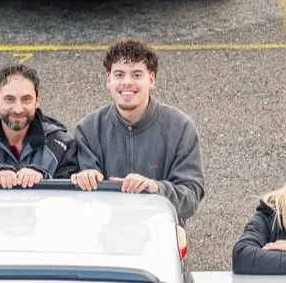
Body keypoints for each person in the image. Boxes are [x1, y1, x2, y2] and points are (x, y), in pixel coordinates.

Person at [69, 38, 205, 223]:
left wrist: (154, 188)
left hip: (158, 227)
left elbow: (190, 198)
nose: (127, 82)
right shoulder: (88, 129)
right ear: (108, 80)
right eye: (119, 74)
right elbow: (79, 203)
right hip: (106, 229)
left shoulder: (180, 128)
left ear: (152, 79)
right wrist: (85, 180)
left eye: (136, 75)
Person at [0, 63, 75, 187]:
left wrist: (45, 178)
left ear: (37, 101)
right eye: (9, 99)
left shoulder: (62, 146)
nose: (18, 109)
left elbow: (71, 198)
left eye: (26, 99)